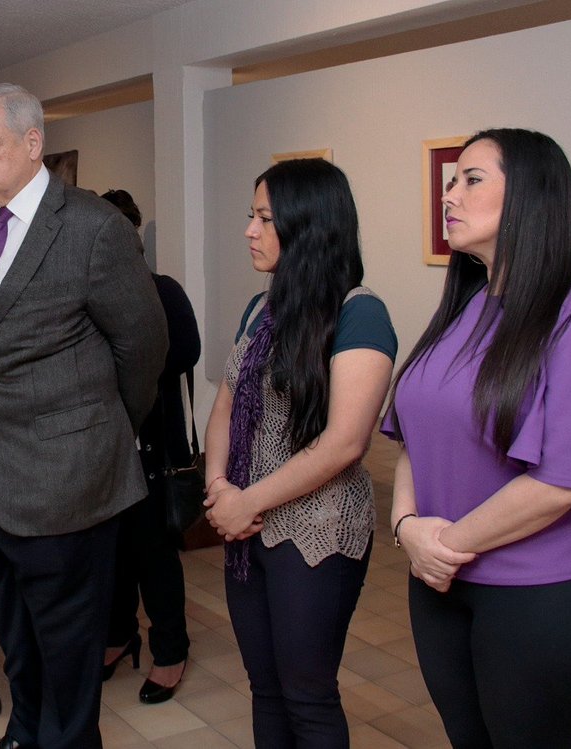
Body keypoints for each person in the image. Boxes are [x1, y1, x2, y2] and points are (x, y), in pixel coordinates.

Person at [382, 128, 571, 748]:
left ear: (529, 200)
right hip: (439, 581)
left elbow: (562, 483)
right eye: (451, 180)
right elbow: (414, 431)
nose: (449, 196)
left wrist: (445, 545)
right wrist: (407, 526)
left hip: (539, 595)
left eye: (472, 179)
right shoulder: (460, 310)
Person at [0, 83, 168, 749]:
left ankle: (68, 740)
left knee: (69, 639)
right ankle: (26, 728)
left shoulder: (92, 226)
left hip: (66, 478)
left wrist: (97, 433)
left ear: (33, 143)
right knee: (12, 623)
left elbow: (143, 345)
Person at [203, 158, 396, 748]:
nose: (250, 230)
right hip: (246, 525)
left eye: (265, 217)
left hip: (316, 529)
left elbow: (343, 442)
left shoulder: (360, 312)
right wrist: (217, 486)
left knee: (307, 695)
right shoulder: (260, 309)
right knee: (265, 689)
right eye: (251, 215)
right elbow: (225, 406)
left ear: (307, 225)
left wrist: (245, 501)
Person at [98, 189, 200, 705]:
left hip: (151, 451)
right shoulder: (85, 292)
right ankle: (118, 636)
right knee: (109, 554)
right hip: (100, 451)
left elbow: (186, 351)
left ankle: (170, 650)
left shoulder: (163, 290)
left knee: (153, 555)